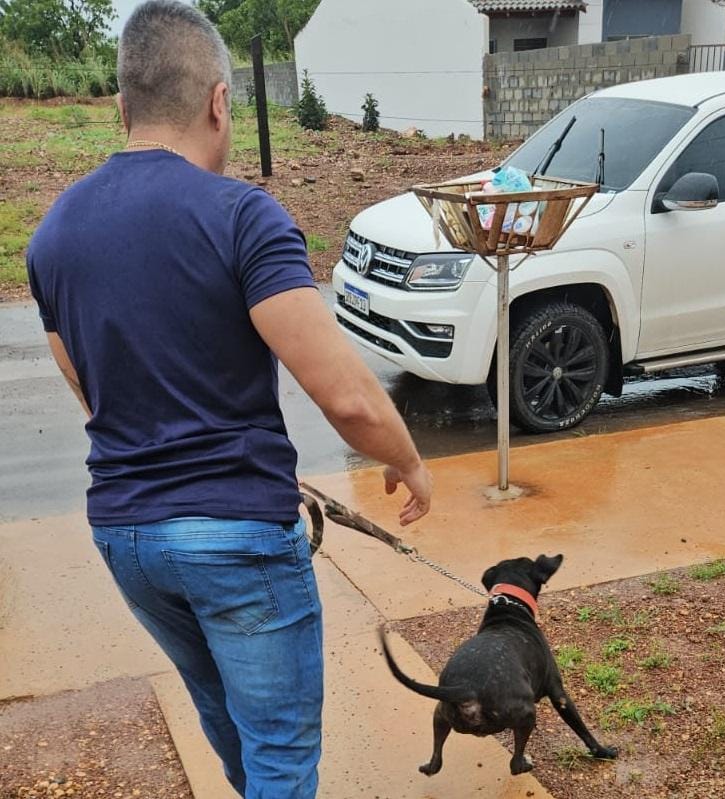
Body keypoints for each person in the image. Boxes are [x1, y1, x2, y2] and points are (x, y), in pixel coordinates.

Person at [26, 2, 432, 796]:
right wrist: (411, 462)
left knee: (230, 726)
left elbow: (86, 384)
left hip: (126, 534)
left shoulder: (53, 235)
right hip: (235, 536)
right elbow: (347, 398)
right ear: (219, 101)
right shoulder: (243, 218)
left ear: (120, 107)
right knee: (281, 751)